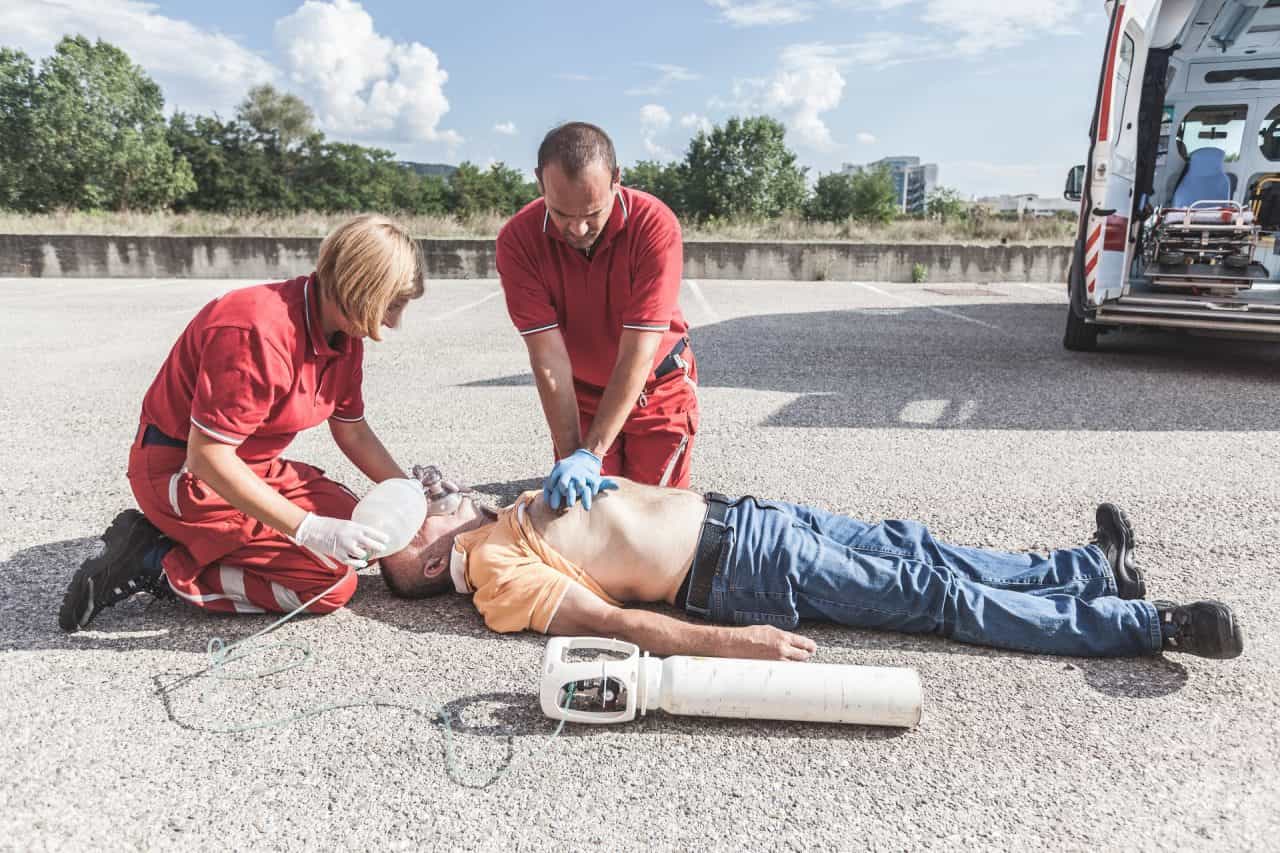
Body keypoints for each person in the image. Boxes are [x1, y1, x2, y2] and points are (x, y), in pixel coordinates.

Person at [379, 474, 1244, 661]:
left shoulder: (498, 512)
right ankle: (1149, 624)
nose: (431, 484)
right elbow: (612, 624)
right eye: (421, 499)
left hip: (746, 518)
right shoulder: (494, 576)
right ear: (420, 554)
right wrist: (730, 646)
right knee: (932, 595)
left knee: (921, 547)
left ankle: (1089, 570)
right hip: (734, 571)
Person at [58, 214, 425, 632]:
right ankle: (156, 560)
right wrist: (307, 528)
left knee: (370, 537)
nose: (395, 322)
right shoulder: (255, 329)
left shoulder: (343, 332)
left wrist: (409, 492)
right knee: (329, 584)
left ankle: (194, 544)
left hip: (250, 467)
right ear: (360, 287)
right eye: (393, 304)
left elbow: (353, 430)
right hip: (184, 475)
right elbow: (207, 457)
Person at [496, 122, 698, 511]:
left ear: (617, 179)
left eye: (592, 212)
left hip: (656, 390)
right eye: (561, 213)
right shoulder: (518, 240)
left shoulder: (654, 225)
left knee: (654, 517)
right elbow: (548, 359)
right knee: (585, 519)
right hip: (581, 397)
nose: (578, 228)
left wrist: (592, 455)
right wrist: (574, 455)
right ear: (540, 182)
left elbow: (637, 354)